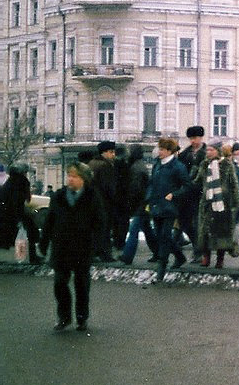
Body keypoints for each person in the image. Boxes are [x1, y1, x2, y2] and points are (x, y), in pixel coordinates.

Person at [39, 162, 106, 332]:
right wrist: (44, 243)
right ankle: (64, 317)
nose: (70, 179)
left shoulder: (92, 197)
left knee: (81, 285)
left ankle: (82, 318)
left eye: (74, 176)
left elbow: (100, 224)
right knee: (60, 283)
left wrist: (98, 247)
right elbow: (49, 221)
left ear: (83, 179)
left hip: (83, 248)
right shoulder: (59, 196)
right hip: (61, 247)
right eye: (69, 175)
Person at [147, 137, 194, 281]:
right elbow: (152, 184)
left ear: (169, 151)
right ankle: (180, 257)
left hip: (169, 207)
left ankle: (161, 269)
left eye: (161, 149)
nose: (159, 151)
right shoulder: (157, 165)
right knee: (160, 235)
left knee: (165, 237)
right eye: (159, 149)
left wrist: (174, 194)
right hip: (156, 206)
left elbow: (187, 186)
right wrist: (148, 199)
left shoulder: (178, 167)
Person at [194, 141, 239, 268]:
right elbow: (197, 182)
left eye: (211, 150)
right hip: (207, 203)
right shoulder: (204, 165)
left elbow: (234, 184)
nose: (208, 152)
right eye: (207, 150)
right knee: (206, 231)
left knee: (222, 232)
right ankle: (206, 257)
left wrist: (235, 202)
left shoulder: (226, 165)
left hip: (223, 203)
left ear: (217, 151)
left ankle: (220, 259)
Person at [117, 144, 155, 266]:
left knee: (133, 230)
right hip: (143, 202)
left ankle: (127, 256)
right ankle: (158, 252)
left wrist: (131, 203)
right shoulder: (139, 165)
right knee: (147, 230)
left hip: (140, 204)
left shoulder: (136, 168)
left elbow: (135, 188)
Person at [176, 125, 207, 261]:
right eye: (191, 138)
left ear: (201, 137)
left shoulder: (207, 153)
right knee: (186, 223)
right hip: (187, 194)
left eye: (195, 138)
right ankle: (197, 247)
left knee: (199, 224)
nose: (193, 141)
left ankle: (200, 252)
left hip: (202, 194)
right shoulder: (184, 154)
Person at [88, 140, 119, 261]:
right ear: (104, 153)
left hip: (92, 202)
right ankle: (105, 255)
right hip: (104, 203)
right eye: (111, 152)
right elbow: (109, 187)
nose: (113, 155)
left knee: (96, 229)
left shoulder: (91, 163)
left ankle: (93, 253)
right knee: (105, 229)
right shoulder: (105, 166)